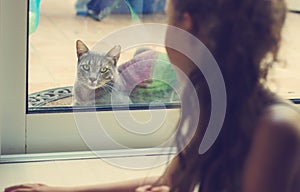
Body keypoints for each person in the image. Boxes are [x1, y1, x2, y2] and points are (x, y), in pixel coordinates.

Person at [5, 0, 300, 191]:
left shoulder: (276, 128)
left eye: (167, 20)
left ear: (187, 25)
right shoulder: (213, 105)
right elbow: (171, 181)